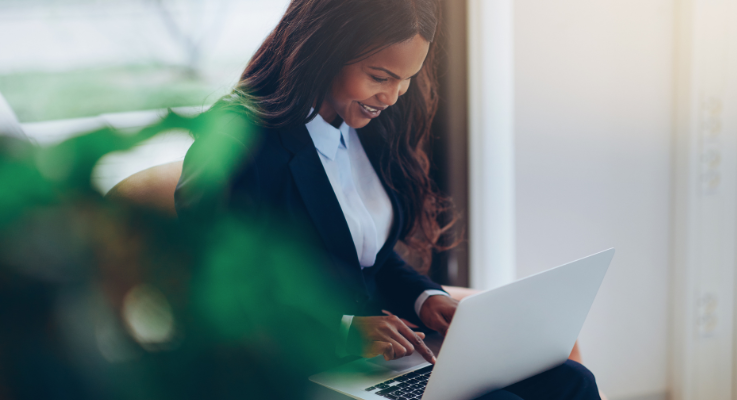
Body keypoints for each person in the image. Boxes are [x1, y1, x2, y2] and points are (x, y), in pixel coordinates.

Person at [175, 0, 600, 398]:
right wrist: (343, 330)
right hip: (299, 362)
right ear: (324, 49)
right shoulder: (239, 142)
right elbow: (213, 288)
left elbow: (367, 256)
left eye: (406, 79)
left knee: (573, 382)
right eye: (380, 77)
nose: (393, 96)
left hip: (384, 358)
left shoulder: (368, 127)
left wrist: (426, 298)